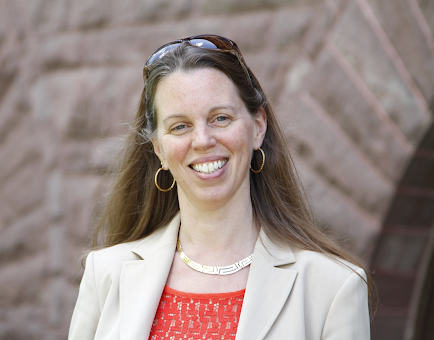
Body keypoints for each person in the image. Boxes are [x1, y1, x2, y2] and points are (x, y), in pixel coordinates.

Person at [68, 35, 372, 340]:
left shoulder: (333, 288)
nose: (202, 140)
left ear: (258, 127)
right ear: (158, 148)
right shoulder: (106, 274)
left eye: (220, 118)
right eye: (180, 126)